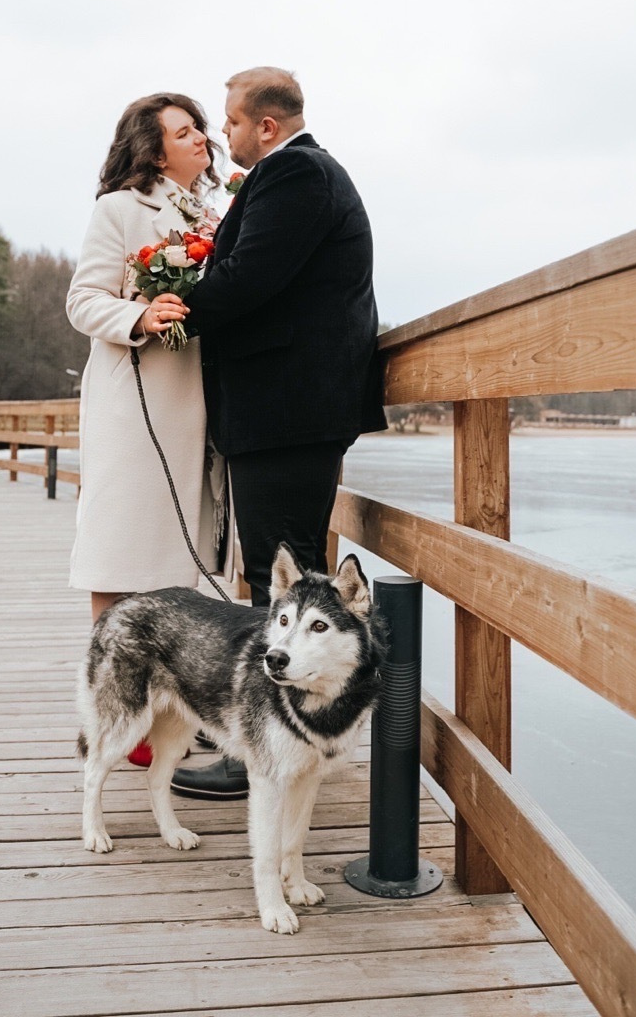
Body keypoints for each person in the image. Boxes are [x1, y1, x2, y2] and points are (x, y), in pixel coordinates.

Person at [170, 67, 386, 801]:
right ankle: (274, 730)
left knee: (281, 578)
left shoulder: (296, 174)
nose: (223, 136)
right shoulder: (297, 175)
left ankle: (265, 749)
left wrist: (174, 305)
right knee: (279, 575)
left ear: (265, 126)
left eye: (229, 123)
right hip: (285, 411)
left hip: (289, 411)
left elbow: (249, 276)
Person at [67, 92, 231, 762]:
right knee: (119, 548)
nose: (201, 140)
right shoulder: (117, 209)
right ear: (152, 148)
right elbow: (83, 299)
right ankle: (111, 709)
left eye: (199, 131)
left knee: (174, 555)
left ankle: (164, 708)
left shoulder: (216, 214)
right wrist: (137, 316)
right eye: (184, 132)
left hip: (196, 405)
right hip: (132, 406)